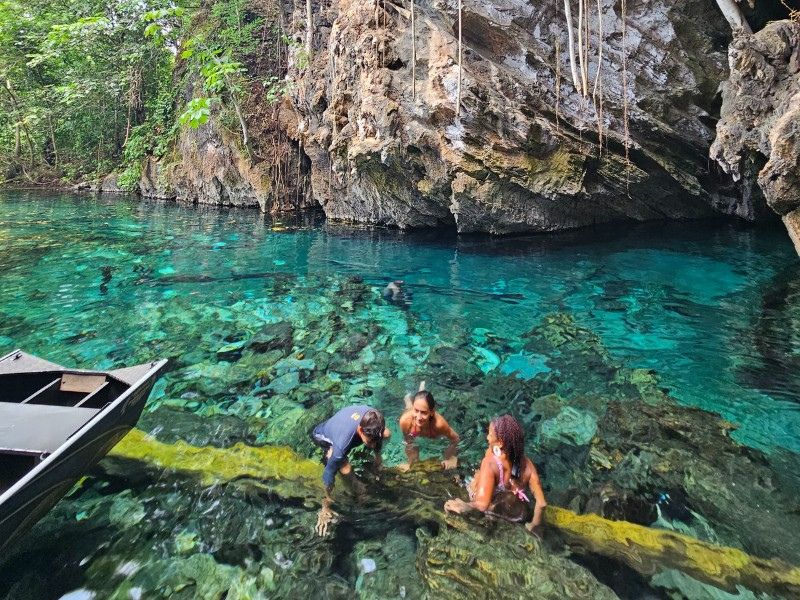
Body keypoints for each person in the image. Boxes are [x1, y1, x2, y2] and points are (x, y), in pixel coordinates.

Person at [444, 414, 547, 533]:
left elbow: (482, 504)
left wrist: (466, 506)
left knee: (458, 477)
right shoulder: (528, 465)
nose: (487, 437)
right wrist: (534, 524)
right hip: (514, 508)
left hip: (493, 506)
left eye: (490, 434)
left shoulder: (490, 463)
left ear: (500, 443)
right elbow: (542, 504)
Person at [311, 405, 390, 536]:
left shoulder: (375, 419)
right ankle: (359, 491)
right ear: (360, 430)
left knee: (387, 434)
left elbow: (378, 437)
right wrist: (325, 505)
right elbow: (328, 474)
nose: (373, 445)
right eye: (370, 441)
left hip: (346, 427)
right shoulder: (343, 443)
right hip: (321, 436)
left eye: (376, 440)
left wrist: (378, 457)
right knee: (344, 467)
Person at [399, 389, 460, 470]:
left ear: (432, 412)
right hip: (411, 419)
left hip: (429, 426)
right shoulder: (405, 422)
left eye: (424, 412)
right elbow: (409, 443)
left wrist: (450, 458)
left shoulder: (439, 424)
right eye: (416, 410)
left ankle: (420, 394)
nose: (419, 417)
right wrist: (412, 463)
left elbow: (455, 439)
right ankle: (408, 400)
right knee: (408, 408)